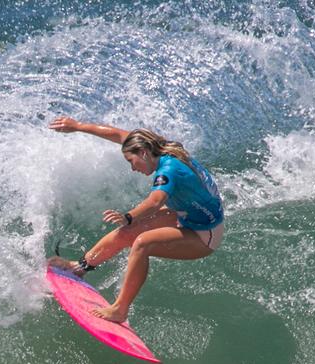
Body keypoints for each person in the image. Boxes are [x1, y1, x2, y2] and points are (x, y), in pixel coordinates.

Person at [48, 116, 224, 323]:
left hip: (204, 233)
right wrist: (78, 126)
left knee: (142, 243)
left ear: (143, 153)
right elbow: (119, 135)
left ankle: (120, 310)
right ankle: (78, 268)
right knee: (129, 232)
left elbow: (156, 200)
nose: (133, 168)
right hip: (184, 211)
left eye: (132, 161)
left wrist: (128, 216)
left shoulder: (168, 170)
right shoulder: (160, 147)